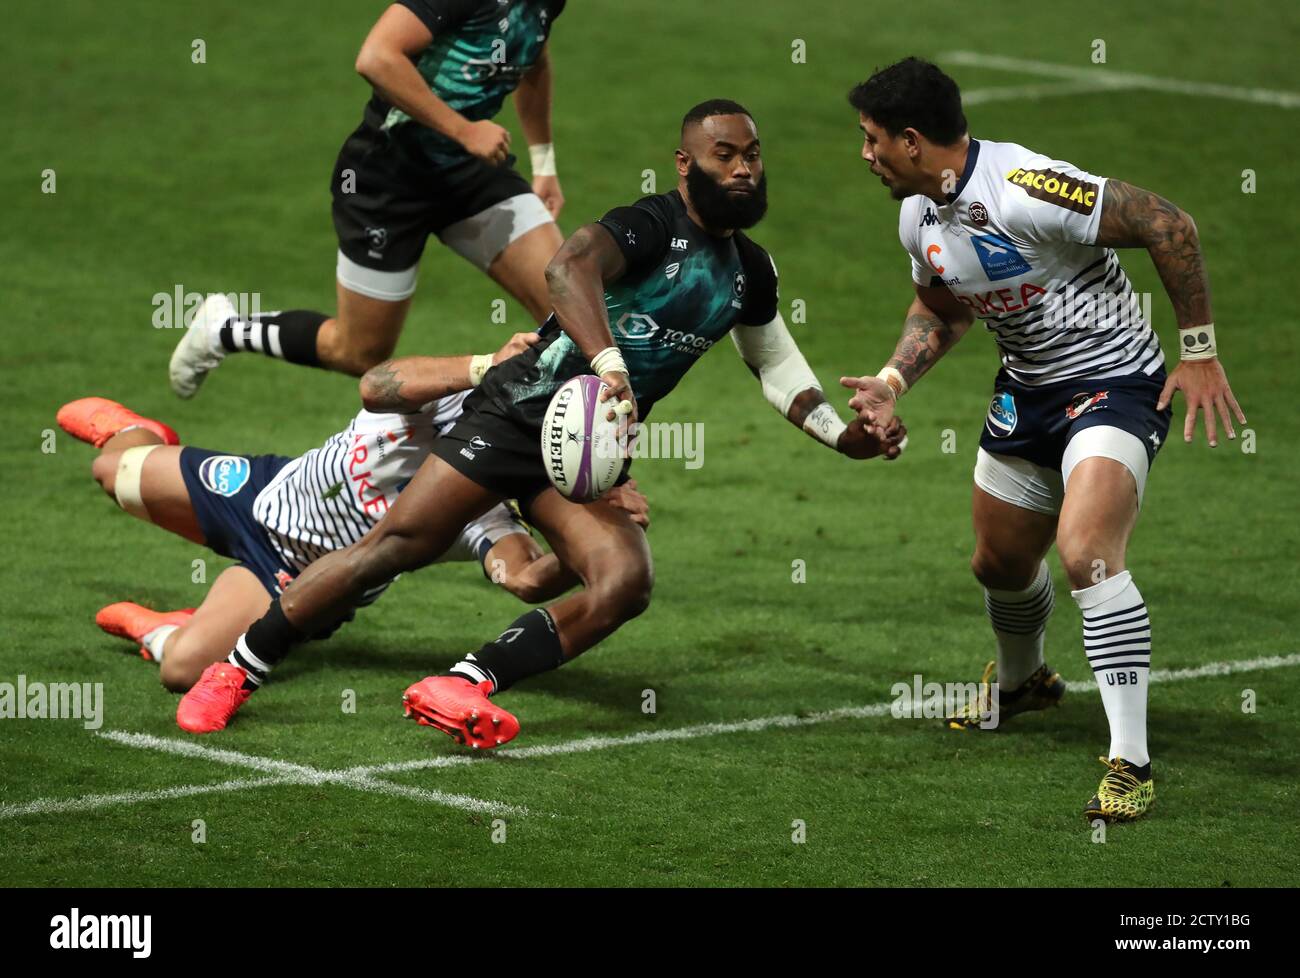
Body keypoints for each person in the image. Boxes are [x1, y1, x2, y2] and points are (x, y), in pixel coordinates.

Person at [175, 99, 907, 746]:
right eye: (726, 155)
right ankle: (239, 670)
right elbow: (566, 271)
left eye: (752, 155)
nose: (744, 169)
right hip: (519, 412)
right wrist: (612, 366)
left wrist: (845, 436)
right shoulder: (651, 224)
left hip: (585, 451)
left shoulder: (751, 270)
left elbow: (778, 369)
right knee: (390, 547)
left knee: (624, 581)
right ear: (686, 164)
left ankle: (466, 681)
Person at [838, 58, 1246, 822]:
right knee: (997, 560)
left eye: (872, 140)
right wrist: (892, 382)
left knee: (1087, 551)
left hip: (1115, 386)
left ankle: (1131, 761)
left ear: (914, 141)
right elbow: (944, 307)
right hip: (1027, 393)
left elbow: (1167, 222)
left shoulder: (1028, 187)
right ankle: (1026, 684)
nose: (865, 155)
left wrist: (1198, 350)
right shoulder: (917, 214)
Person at [57, 332, 648, 720]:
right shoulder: (442, 397)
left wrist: (575, 556)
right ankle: (140, 432)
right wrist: (484, 365)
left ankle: (163, 626)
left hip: (291, 580)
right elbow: (379, 382)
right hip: (265, 493)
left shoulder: (481, 501)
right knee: (110, 470)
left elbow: (523, 578)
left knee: (180, 669)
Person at [168, 0, 568, 393]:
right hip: (388, 178)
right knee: (358, 352)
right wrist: (465, 131)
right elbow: (376, 57)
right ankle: (224, 330)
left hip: (470, 171)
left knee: (569, 308)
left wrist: (544, 162)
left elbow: (533, 56)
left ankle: (547, 442)